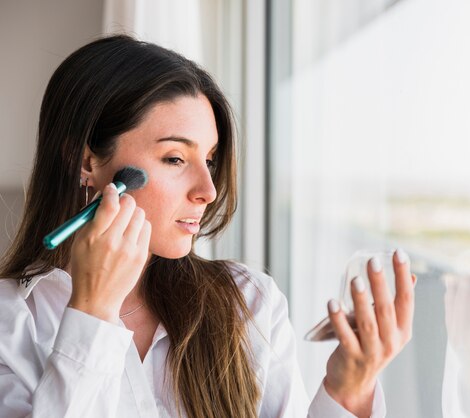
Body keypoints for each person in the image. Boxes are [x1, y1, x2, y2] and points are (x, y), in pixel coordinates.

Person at [0, 35, 415, 417]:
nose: (208, 191)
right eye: (175, 159)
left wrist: (348, 389)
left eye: (210, 160)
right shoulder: (10, 320)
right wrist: (92, 314)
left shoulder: (248, 302)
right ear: (87, 162)